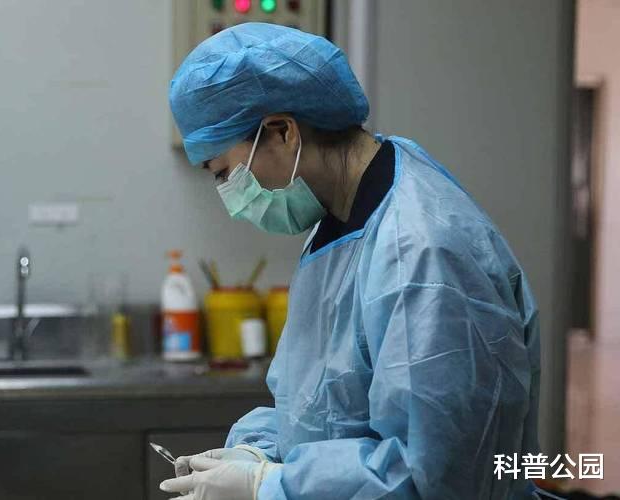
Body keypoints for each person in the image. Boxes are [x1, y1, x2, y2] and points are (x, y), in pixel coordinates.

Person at [160, 23, 541, 500]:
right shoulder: (341, 225)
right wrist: (259, 452)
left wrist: (272, 486)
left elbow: (435, 474)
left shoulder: (420, 253)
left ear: (282, 132)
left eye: (223, 172)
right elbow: (318, 406)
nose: (228, 196)